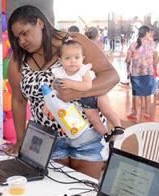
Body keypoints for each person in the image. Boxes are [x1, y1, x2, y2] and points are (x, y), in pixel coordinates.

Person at [6, 5, 119, 179]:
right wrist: (20, 139)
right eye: (17, 37)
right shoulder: (18, 61)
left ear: (40, 23)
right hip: (48, 140)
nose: (22, 41)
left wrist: (78, 93)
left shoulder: (74, 43)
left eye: (25, 33)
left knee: (84, 193)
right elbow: (18, 101)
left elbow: (111, 76)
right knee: (55, 194)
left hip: (86, 134)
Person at [51, 40, 123, 143]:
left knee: (106, 110)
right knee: (94, 120)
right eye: (67, 58)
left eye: (77, 57)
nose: (73, 61)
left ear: (82, 58)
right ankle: (105, 134)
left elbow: (87, 85)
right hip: (85, 101)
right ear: (60, 60)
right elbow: (53, 89)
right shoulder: (59, 73)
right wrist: (47, 103)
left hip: (97, 94)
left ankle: (118, 126)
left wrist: (70, 84)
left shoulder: (83, 70)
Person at [125, 25, 158, 119]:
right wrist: (153, 63)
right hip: (148, 71)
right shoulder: (152, 44)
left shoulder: (133, 44)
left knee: (136, 93)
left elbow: (127, 59)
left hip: (136, 72)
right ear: (146, 33)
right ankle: (147, 113)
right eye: (149, 32)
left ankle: (135, 113)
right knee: (147, 93)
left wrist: (128, 67)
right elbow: (156, 56)